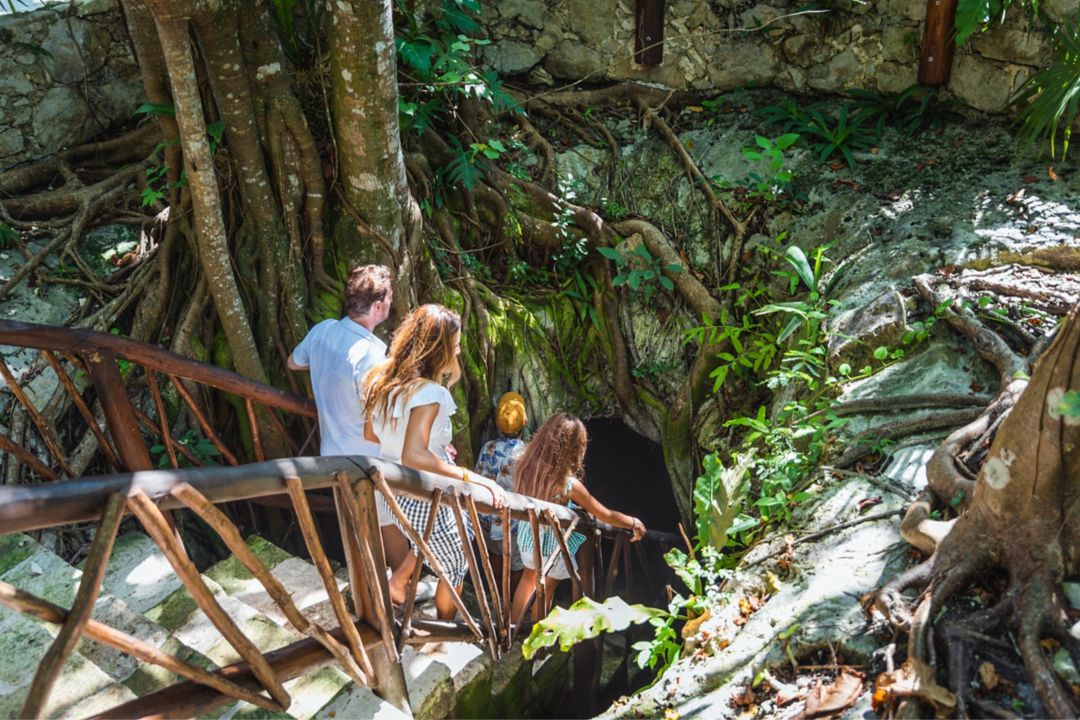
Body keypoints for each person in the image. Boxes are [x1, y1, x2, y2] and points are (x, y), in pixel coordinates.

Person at [362, 303, 508, 620]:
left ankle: (398, 585)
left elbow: (373, 434)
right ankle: (445, 631)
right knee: (456, 560)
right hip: (421, 490)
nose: (457, 352)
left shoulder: (383, 381)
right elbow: (414, 454)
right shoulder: (430, 393)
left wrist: (436, 447)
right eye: (453, 347)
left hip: (389, 487)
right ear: (437, 349)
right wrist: (475, 478)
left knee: (434, 542)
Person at [286, 264, 411, 575]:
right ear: (379, 305)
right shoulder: (373, 355)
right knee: (389, 524)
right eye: (390, 299)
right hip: (369, 459)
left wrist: (326, 367)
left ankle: (369, 584)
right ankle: (402, 589)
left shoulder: (323, 331)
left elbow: (293, 362)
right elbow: (377, 421)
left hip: (331, 453)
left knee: (356, 526)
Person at [509, 412, 646, 622]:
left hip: (528, 539)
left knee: (528, 579)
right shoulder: (567, 485)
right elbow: (605, 514)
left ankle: (512, 630)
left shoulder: (524, 466)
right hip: (552, 549)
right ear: (573, 449)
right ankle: (534, 640)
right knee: (546, 589)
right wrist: (632, 522)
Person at [474, 392, 528, 588]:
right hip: (514, 522)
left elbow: (478, 475)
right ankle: (511, 601)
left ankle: (495, 593)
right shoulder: (527, 454)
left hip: (489, 517)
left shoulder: (488, 447)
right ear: (525, 420)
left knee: (495, 555)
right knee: (516, 564)